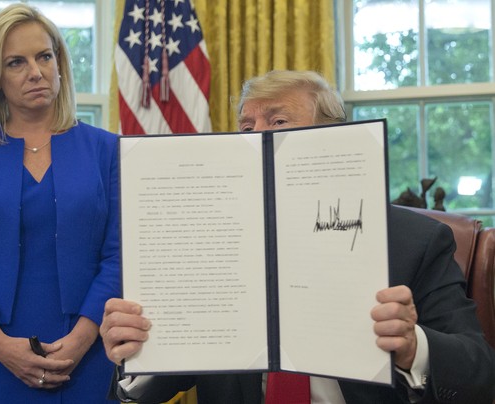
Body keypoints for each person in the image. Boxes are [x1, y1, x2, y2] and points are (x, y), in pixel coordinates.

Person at [100, 70, 495, 403]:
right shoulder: (208, 238)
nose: (256, 137)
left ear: (334, 137)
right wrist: (138, 352)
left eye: (278, 123)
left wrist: (413, 347)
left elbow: (479, 372)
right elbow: (172, 369)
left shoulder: (417, 241)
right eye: (246, 126)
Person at [0, 4, 120, 403]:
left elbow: (120, 256)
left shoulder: (107, 150)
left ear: (60, 64)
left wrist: (82, 341)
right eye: (16, 62)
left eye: (44, 56)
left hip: (85, 356)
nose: (36, 71)